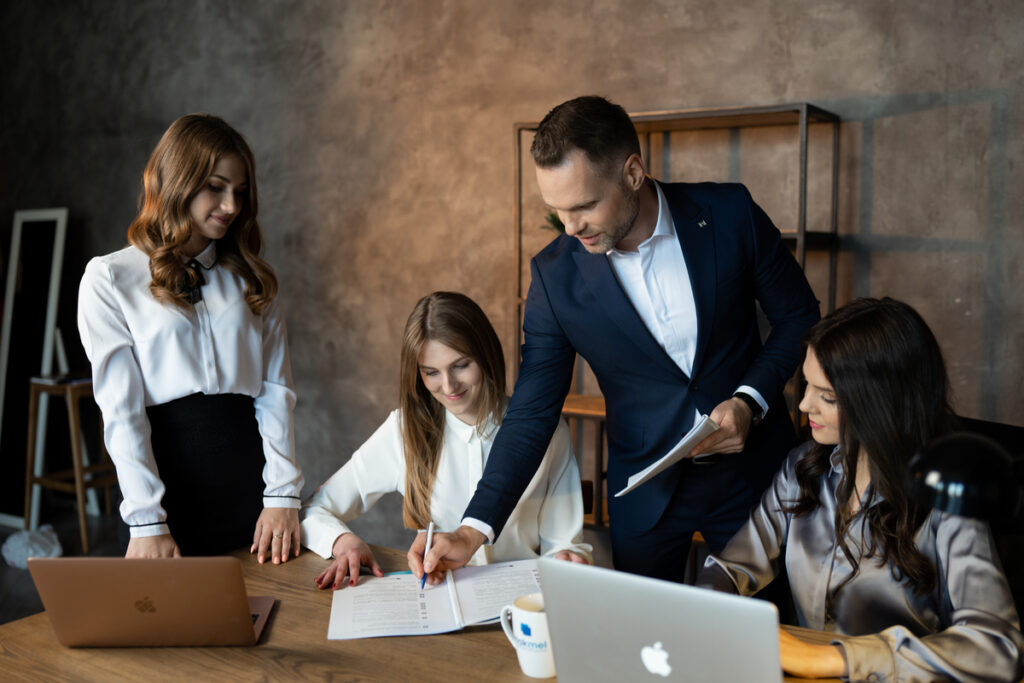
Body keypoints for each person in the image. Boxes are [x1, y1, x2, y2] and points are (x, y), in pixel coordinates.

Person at [412, 95, 820, 582]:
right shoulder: (553, 276)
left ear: (632, 173)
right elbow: (532, 409)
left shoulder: (730, 212)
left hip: (755, 479)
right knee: (643, 643)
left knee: (768, 637)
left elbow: (799, 316)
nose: (569, 227)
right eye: (556, 210)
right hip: (644, 495)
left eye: (584, 205)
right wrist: (472, 529)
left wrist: (749, 401)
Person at [697, 298, 1024, 682]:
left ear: (882, 402)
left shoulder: (946, 497)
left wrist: (836, 659)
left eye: (828, 397)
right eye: (806, 386)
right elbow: (734, 565)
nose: (804, 405)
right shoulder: (804, 466)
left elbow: (999, 647)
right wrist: (703, 605)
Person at [78, 114, 303, 562]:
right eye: (216, 187)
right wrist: (146, 521)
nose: (231, 205)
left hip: (252, 496)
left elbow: (276, 394)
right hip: (171, 496)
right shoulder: (110, 278)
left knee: (274, 621)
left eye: (240, 192)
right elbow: (121, 411)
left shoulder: (252, 279)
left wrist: (282, 498)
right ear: (178, 181)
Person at [301, 291, 591, 589]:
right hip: (441, 600)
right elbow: (314, 509)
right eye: (431, 372)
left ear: (486, 355)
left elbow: (565, 546)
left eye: (461, 365)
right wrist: (343, 542)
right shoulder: (403, 430)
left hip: (522, 602)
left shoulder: (547, 431)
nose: (449, 386)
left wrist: (567, 560)